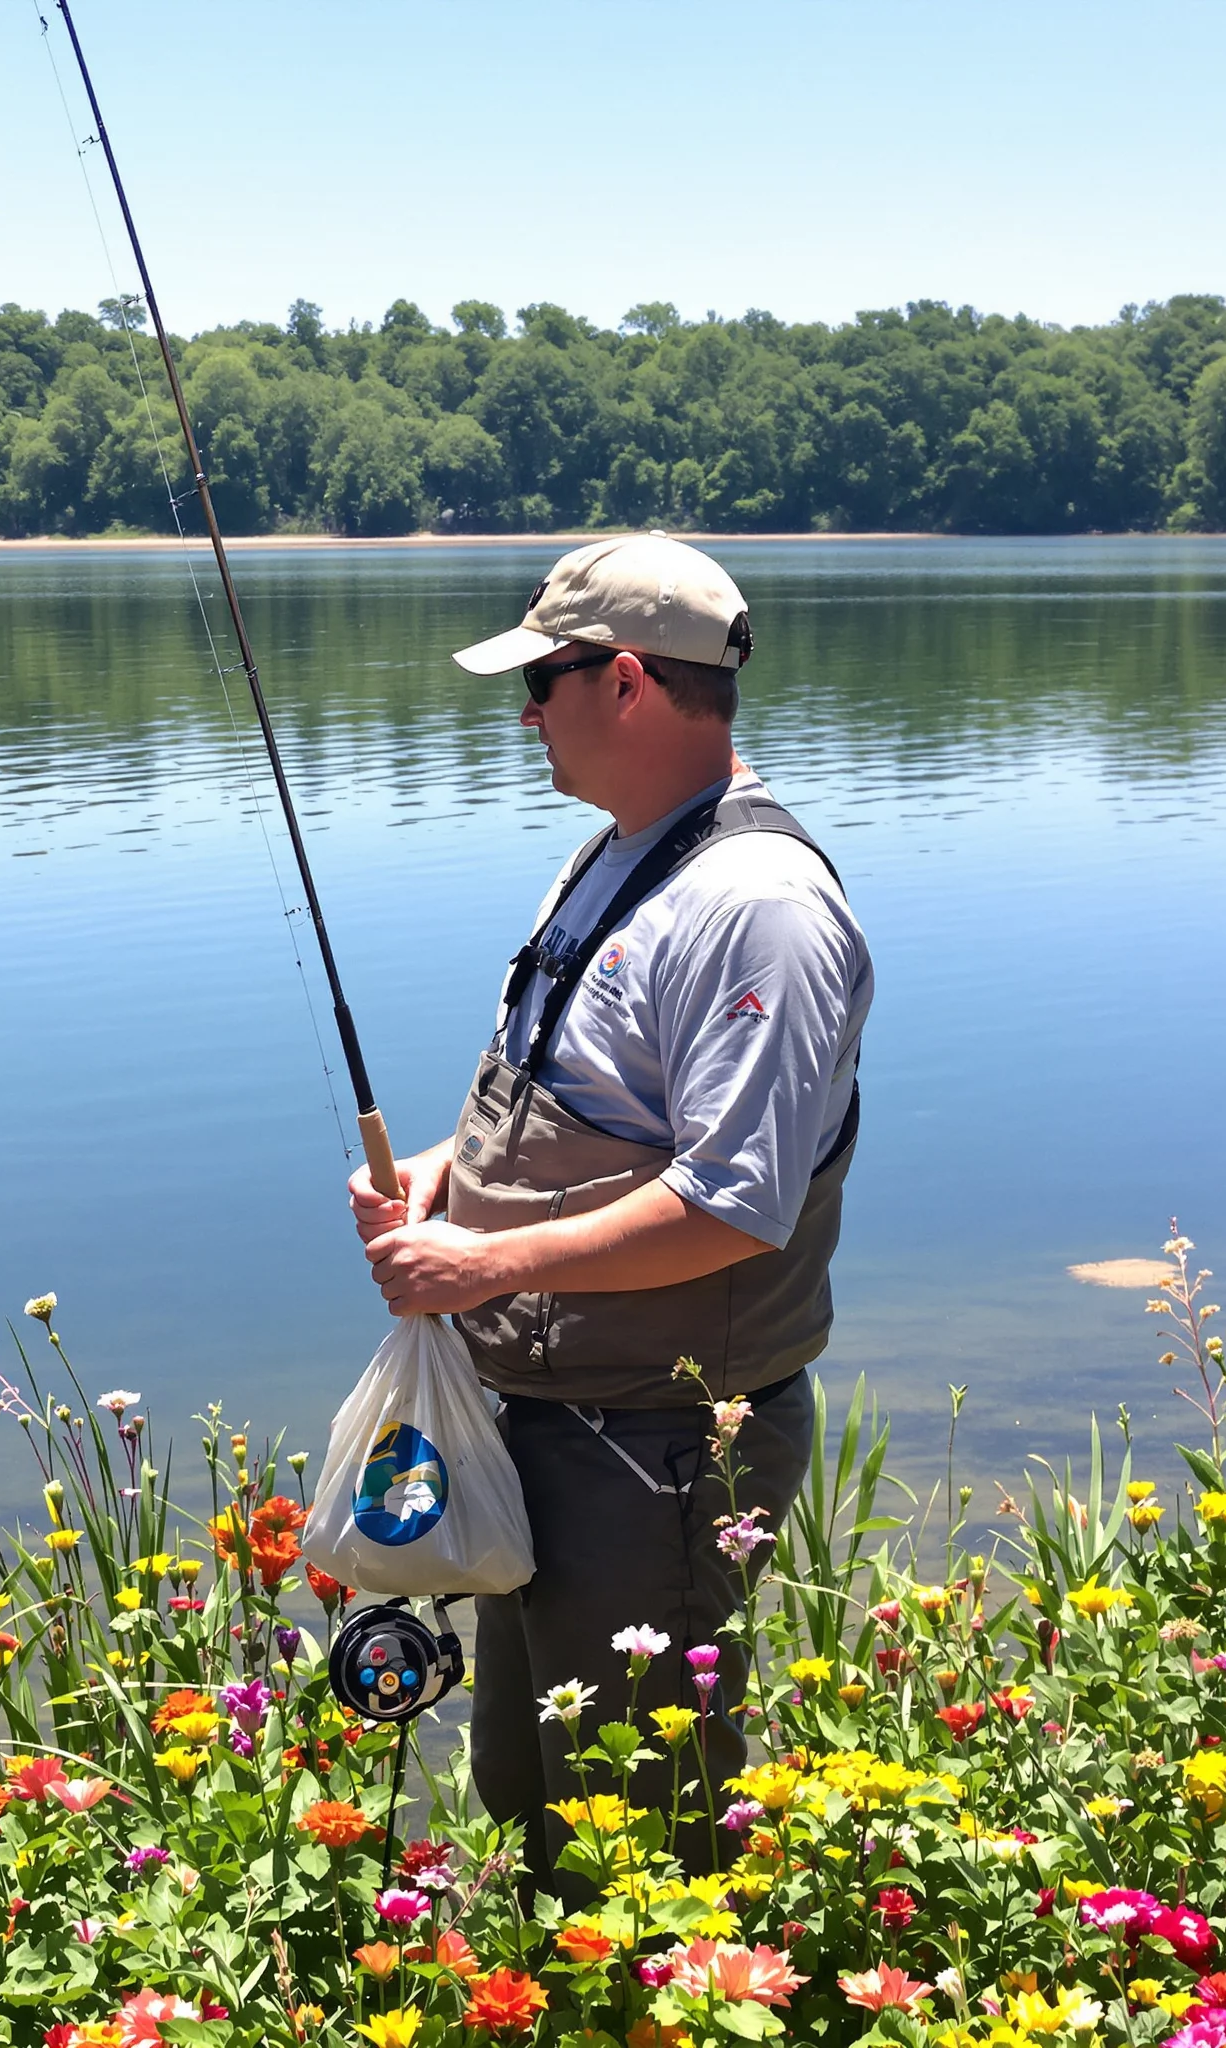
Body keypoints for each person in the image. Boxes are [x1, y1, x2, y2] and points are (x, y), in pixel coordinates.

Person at [347, 532, 873, 1890]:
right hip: (553, 1427)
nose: (525, 712)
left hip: (658, 1450)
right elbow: (565, 1099)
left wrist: (480, 1261)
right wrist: (436, 1186)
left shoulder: (761, 909)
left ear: (627, 680)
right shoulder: (617, 857)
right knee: (530, 1800)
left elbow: (730, 1205)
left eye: (543, 681)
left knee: (644, 1846)